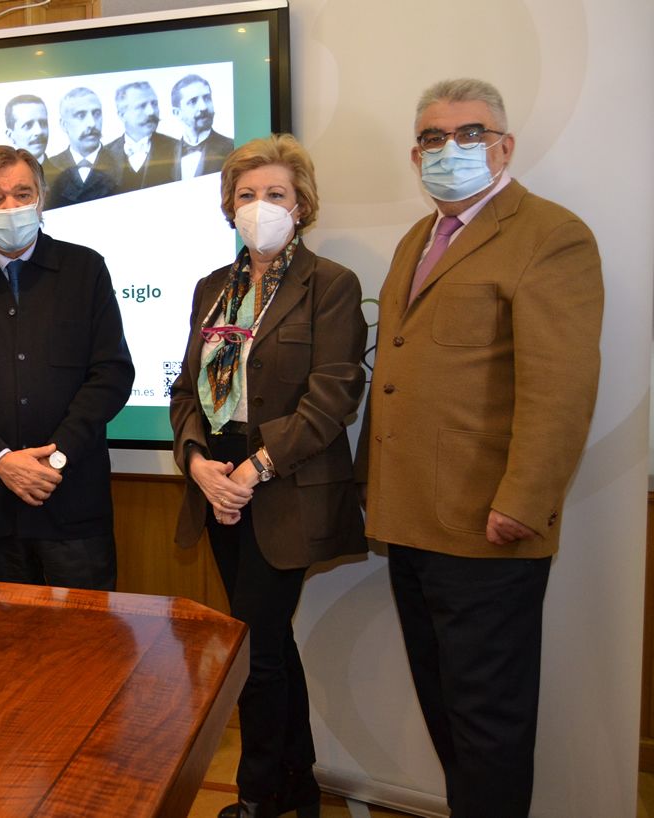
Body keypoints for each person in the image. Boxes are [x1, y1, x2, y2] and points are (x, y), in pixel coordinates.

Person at [356, 78, 603, 818]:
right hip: (410, 521)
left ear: (505, 145)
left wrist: (523, 503)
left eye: (470, 133)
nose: (450, 149)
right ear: (415, 153)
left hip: (487, 530)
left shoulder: (551, 235)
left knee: (488, 726)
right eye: (433, 138)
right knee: (446, 713)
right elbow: (395, 371)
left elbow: (560, 389)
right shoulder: (417, 236)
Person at [170, 134, 366, 818]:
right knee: (270, 641)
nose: (260, 207)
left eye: (275, 195)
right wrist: (200, 466)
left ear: (302, 204)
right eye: (247, 195)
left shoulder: (332, 285)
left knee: (255, 646)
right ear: (229, 206)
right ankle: (297, 788)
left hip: (283, 485)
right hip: (218, 480)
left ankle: (257, 795)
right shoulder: (210, 289)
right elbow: (185, 392)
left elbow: (334, 394)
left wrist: (252, 471)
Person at [0, 145, 134, 590]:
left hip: (73, 499)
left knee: (88, 647)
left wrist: (55, 458)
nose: (10, 207)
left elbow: (111, 375)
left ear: (41, 199)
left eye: (22, 193)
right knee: (2, 648)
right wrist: (2, 461)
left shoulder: (85, 269)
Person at [44, 87, 122, 208]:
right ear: (64, 125)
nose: (91, 123)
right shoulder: (51, 166)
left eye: (96, 114)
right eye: (81, 115)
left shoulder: (122, 162)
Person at [104, 80, 176, 190]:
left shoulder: (177, 148)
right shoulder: (104, 155)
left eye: (154, 104)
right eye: (142, 106)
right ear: (122, 115)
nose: (151, 111)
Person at [171, 74, 234, 179]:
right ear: (177, 113)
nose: (203, 107)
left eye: (207, 98)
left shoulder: (232, 148)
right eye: (193, 101)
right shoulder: (168, 152)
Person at [4, 94, 50, 163]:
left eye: (43, 123)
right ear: (10, 136)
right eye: (28, 125)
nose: (39, 131)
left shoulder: (64, 173)